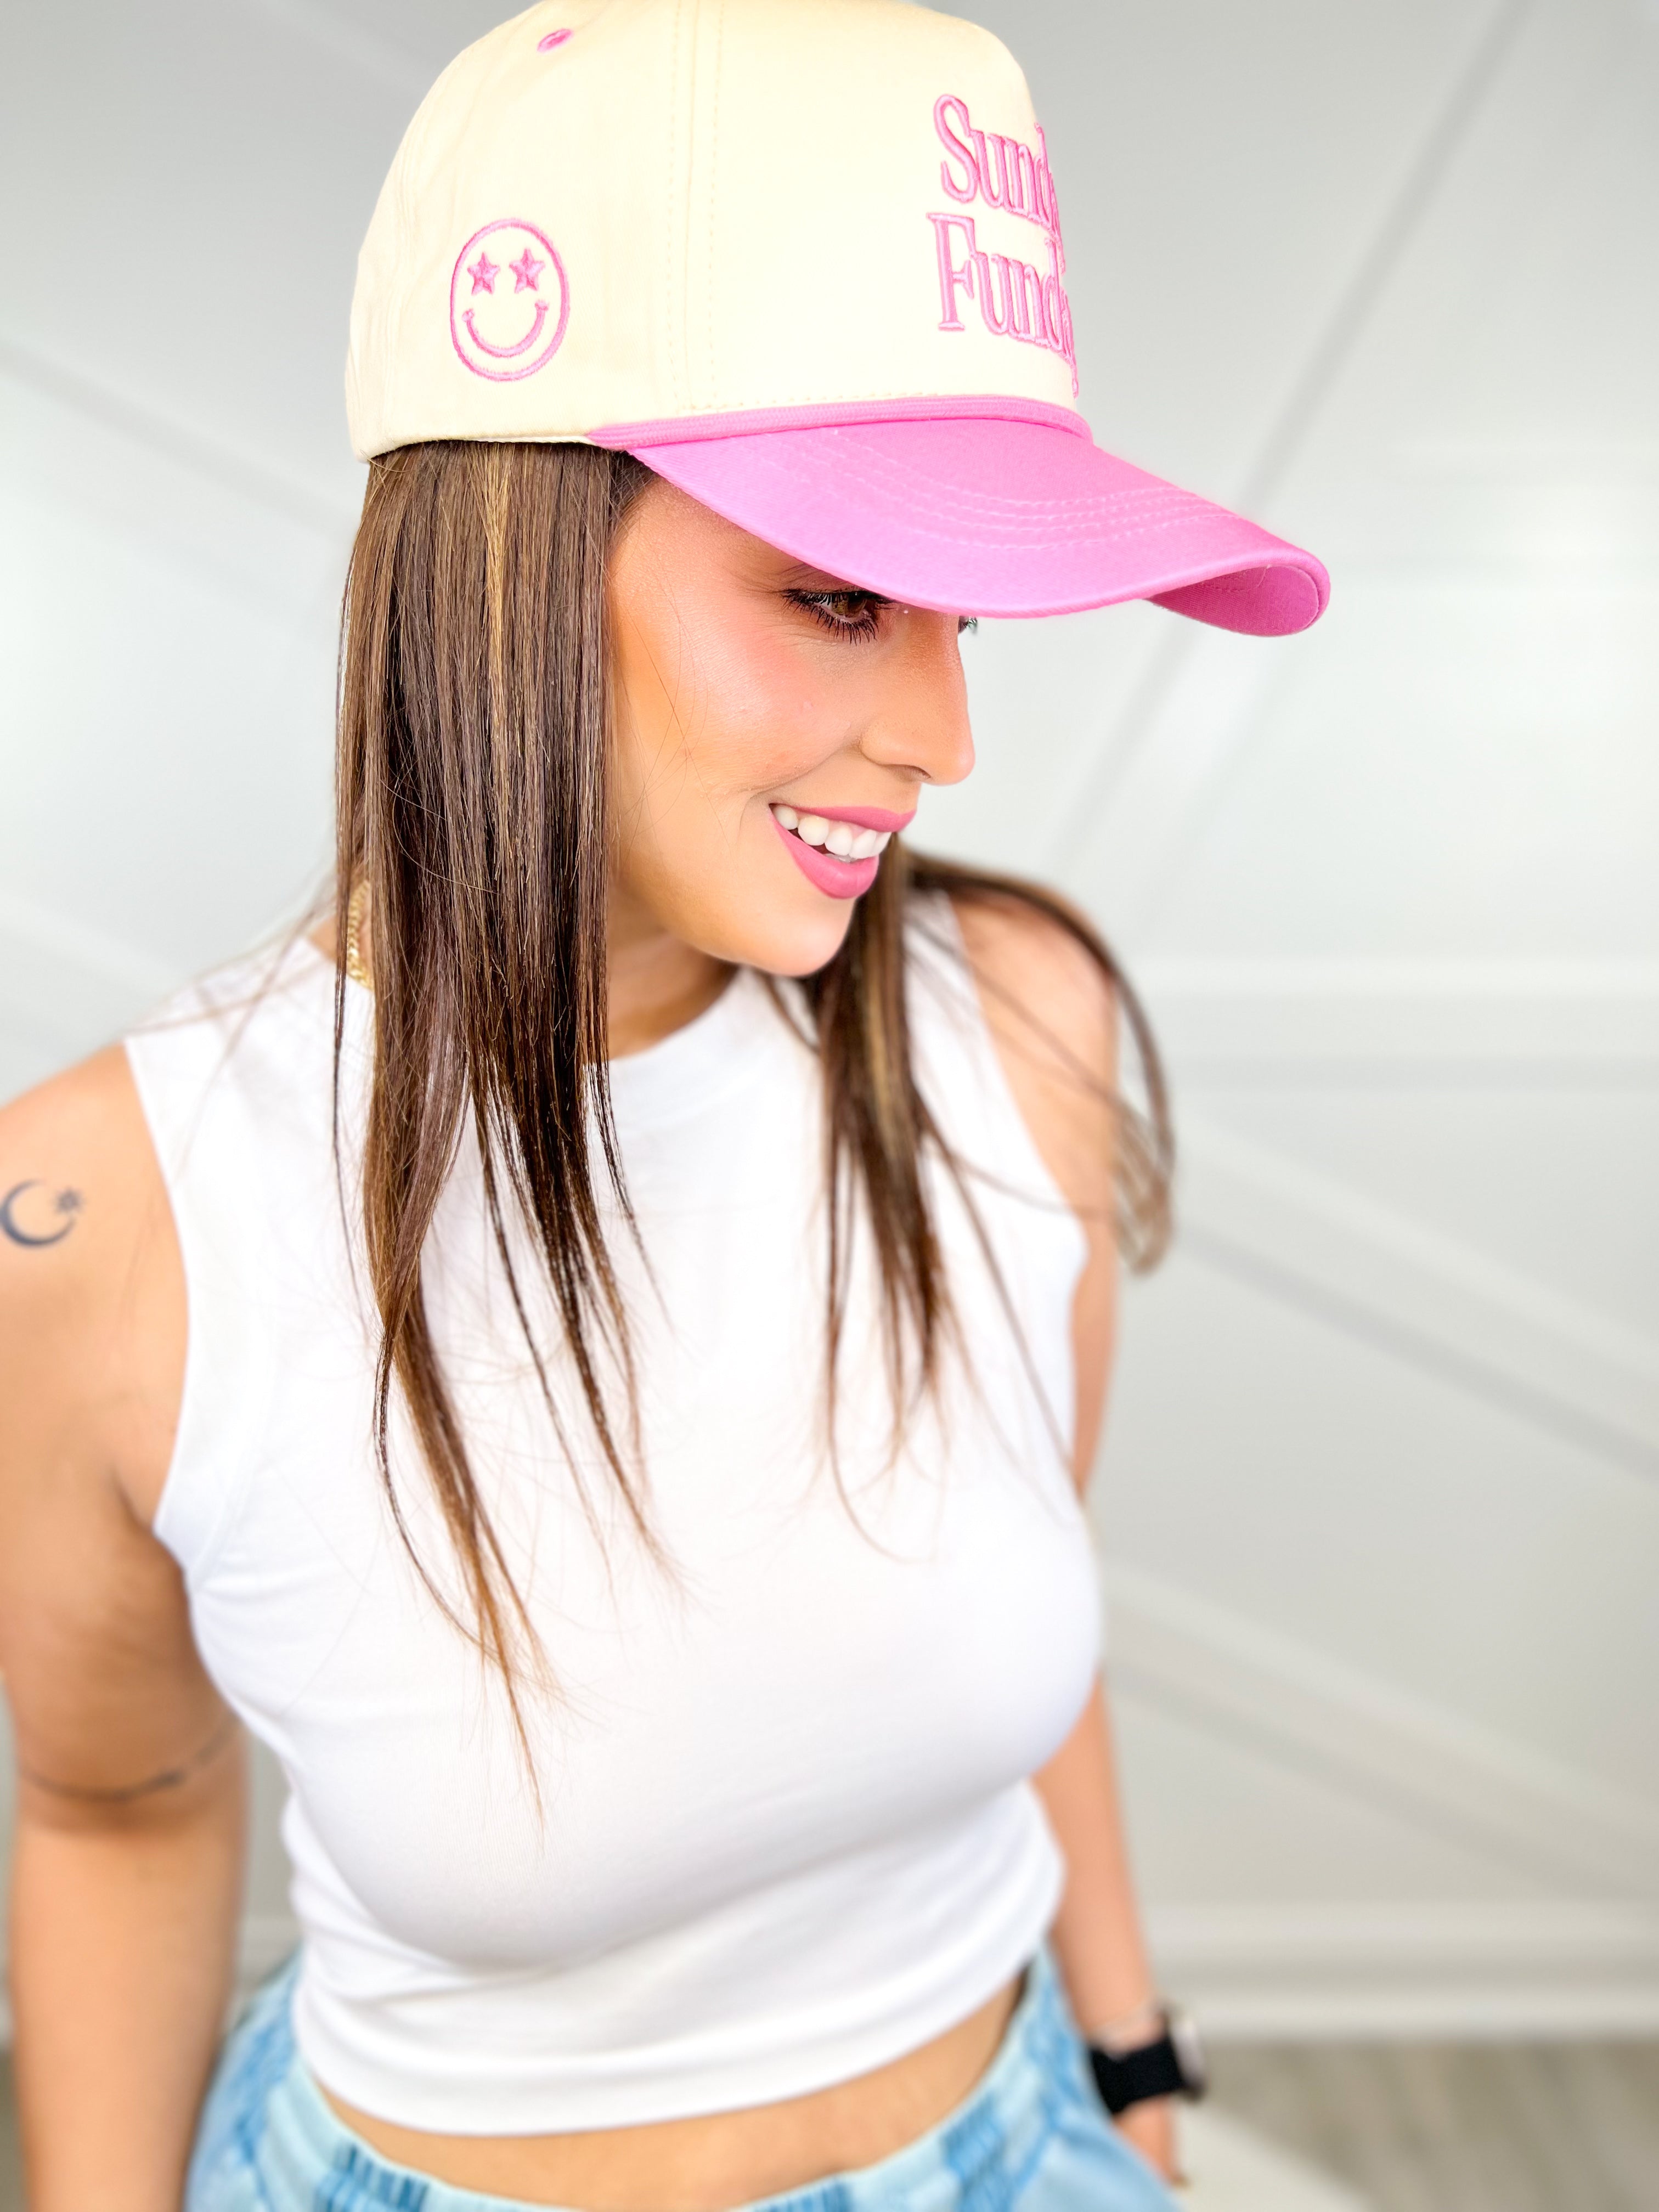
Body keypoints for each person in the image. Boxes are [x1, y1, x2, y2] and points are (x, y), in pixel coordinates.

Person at [0, 4, 1326, 2208]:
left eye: (969, 614)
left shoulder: (1018, 1024)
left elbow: (1029, 1631)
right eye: (840, 594)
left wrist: (1131, 2070)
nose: (949, 740)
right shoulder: (102, 1218)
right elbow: (111, 1810)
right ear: (503, 561)